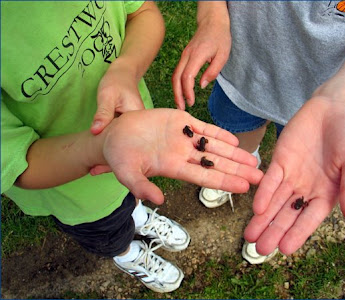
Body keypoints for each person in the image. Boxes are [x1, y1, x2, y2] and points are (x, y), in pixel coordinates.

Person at [1, 1, 263, 293]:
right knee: (109, 232)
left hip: (137, 142)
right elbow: (15, 163)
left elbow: (143, 12)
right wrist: (100, 147)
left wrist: (126, 68)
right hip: (78, 195)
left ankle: (138, 215)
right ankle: (127, 254)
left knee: (133, 196)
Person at [172, 0, 345, 264]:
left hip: (317, 92)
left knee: (293, 163)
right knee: (235, 133)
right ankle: (241, 163)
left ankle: (275, 204)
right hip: (242, 66)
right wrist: (213, 14)